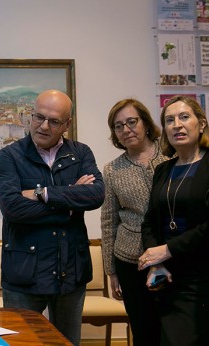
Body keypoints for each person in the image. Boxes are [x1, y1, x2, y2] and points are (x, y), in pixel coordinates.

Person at [0, 90, 105, 345]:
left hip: (71, 272)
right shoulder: (8, 156)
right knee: (22, 343)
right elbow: (12, 208)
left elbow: (97, 195)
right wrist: (70, 201)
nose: (43, 126)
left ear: (67, 124)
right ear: (30, 116)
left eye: (54, 121)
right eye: (38, 117)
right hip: (24, 274)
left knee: (67, 343)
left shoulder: (81, 153)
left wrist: (41, 193)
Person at [138, 95, 209, 345]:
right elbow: (149, 221)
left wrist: (167, 250)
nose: (176, 124)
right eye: (169, 120)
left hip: (202, 277)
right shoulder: (163, 170)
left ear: (201, 124)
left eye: (184, 117)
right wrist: (155, 263)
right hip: (166, 276)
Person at [100, 99, 166, 345]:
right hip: (131, 262)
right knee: (143, 330)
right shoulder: (112, 170)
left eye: (131, 122)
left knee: (175, 328)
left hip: (173, 255)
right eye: (118, 126)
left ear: (146, 123)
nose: (126, 130)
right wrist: (111, 271)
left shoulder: (171, 154)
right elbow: (108, 221)